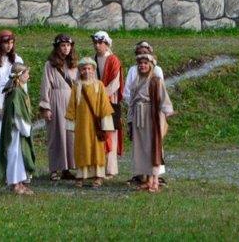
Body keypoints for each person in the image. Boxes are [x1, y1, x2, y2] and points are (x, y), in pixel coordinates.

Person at [127, 53, 174, 193]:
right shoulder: (136, 81)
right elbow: (132, 102)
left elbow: (163, 97)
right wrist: (130, 119)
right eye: (140, 63)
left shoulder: (156, 81)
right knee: (141, 149)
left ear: (151, 65)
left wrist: (167, 111)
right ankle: (147, 180)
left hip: (151, 116)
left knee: (153, 147)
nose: (142, 65)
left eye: (145, 63)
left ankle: (155, 181)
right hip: (138, 117)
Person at [64, 56, 114, 188]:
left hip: (95, 125)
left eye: (89, 69)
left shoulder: (99, 85)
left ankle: (98, 175)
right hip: (82, 125)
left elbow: (104, 105)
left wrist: (105, 124)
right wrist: (71, 124)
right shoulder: (77, 86)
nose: (87, 71)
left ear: (93, 70)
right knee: (82, 148)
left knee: (97, 149)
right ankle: (81, 175)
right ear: (80, 70)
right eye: (84, 69)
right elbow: (72, 105)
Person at [39, 33, 78, 180]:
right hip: (55, 101)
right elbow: (46, 86)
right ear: (57, 47)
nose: (66, 48)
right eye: (63, 45)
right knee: (56, 135)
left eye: (68, 45)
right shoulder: (49, 65)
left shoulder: (74, 64)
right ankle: (54, 169)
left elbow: (78, 84)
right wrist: (46, 107)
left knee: (70, 136)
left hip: (71, 102)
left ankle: (66, 169)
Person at [0, 30, 24, 164]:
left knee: (15, 130)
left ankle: (15, 163)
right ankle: (2, 164)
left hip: (14, 98)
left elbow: (22, 81)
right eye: (6, 43)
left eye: (11, 43)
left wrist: (22, 100)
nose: (9, 46)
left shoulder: (17, 59)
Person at [0, 62, 36, 195]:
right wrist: (26, 129)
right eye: (27, 74)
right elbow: (17, 115)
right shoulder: (16, 93)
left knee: (19, 156)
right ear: (19, 76)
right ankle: (15, 184)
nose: (28, 76)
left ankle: (20, 182)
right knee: (15, 155)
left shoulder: (17, 90)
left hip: (18, 132)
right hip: (15, 131)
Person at [92, 30, 124, 177]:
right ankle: (98, 167)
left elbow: (115, 83)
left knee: (110, 133)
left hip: (110, 101)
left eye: (100, 43)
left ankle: (110, 169)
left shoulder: (113, 60)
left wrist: (102, 94)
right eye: (95, 43)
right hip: (96, 101)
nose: (97, 45)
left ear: (106, 44)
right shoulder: (93, 60)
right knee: (98, 133)